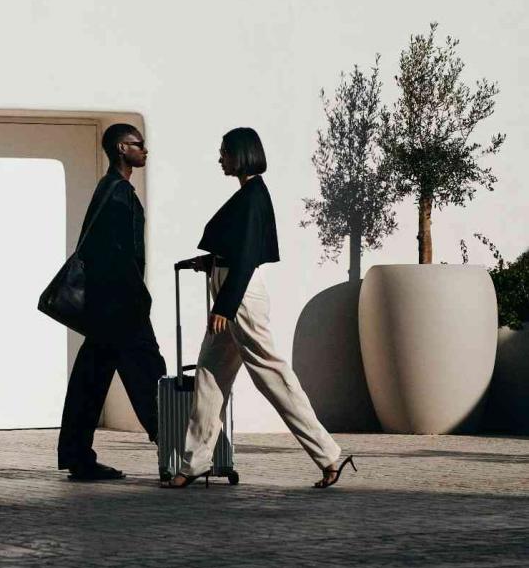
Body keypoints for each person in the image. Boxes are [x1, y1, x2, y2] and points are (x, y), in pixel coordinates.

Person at [163, 127, 356, 489]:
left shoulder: (253, 196)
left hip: (239, 296)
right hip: (230, 289)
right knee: (209, 376)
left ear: (241, 154)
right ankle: (193, 464)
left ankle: (328, 454)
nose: (220, 158)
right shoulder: (249, 194)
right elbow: (237, 249)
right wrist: (209, 262)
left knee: (270, 374)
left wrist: (225, 304)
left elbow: (248, 257)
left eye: (224, 151)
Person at [57, 123, 167, 481]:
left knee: (90, 379)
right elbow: (121, 255)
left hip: (106, 307)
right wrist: (139, 298)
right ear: (122, 148)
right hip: (123, 306)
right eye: (140, 144)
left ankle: (77, 455)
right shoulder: (118, 194)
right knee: (149, 374)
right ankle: (177, 450)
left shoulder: (108, 190)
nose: (145, 150)